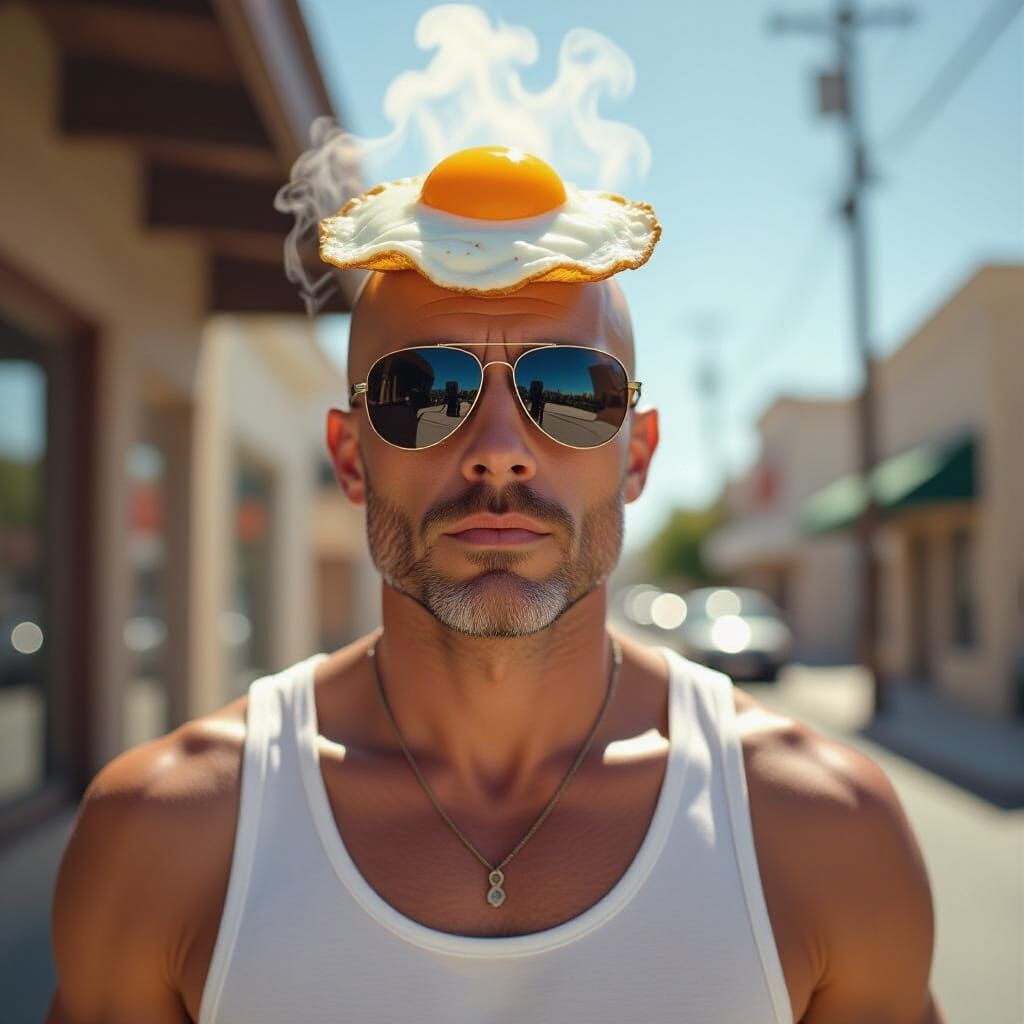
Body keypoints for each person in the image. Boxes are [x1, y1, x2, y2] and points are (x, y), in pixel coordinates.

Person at [47, 150, 945, 1024]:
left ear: (636, 455)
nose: (498, 448)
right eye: (423, 390)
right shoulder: (163, 837)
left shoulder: (824, 831)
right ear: (349, 456)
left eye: (572, 390)